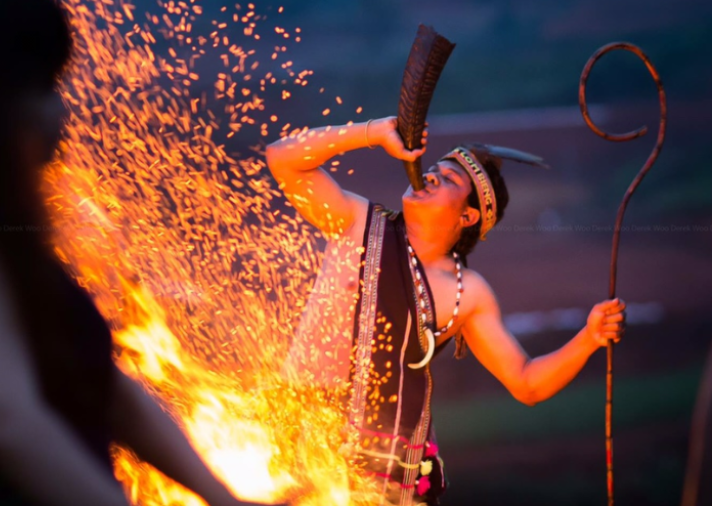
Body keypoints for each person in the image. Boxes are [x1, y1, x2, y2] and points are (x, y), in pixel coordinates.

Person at [0, 0, 280, 506]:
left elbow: (111, 393)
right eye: (47, 87)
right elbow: (7, 420)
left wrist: (224, 500)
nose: (60, 109)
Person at [265, 117, 627, 506]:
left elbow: (527, 383)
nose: (430, 176)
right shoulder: (356, 224)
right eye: (433, 169)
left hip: (385, 480)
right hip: (297, 449)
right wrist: (375, 132)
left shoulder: (465, 292)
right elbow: (282, 159)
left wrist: (589, 338)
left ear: (468, 216)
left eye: (449, 179)